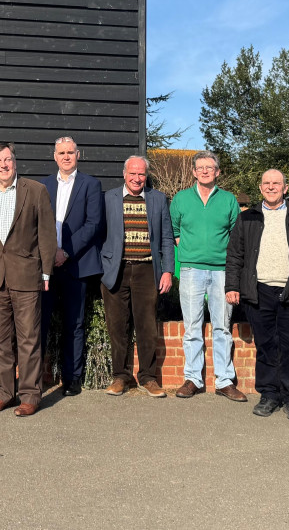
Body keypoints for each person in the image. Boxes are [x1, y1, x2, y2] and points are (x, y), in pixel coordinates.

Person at [225, 169, 289, 421]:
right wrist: (232, 286)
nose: (271, 187)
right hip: (259, 292)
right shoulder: (247, 217)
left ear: (285, 188)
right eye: (266, 183)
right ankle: (269, 394)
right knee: (266, 346)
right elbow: (235, 253)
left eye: (276, 183)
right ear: (260, 188)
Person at [0, 143, 57, 417]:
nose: (3, 165)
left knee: (29, 338)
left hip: (27, 276)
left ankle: (30, 395)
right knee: (1, 340)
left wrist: (46, 272)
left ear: (14, 162)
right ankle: (5, 393)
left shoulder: (35, 190)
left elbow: (46, 235)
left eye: (7, 159)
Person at [170, 151, 246, 401]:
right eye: (200, 167)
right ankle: (193, 378)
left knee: (222, 327)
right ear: (193, 172)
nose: (205, 171)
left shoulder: (228, 200)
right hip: (191, 269)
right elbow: (174, 230)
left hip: (222, 270)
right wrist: (190, 253)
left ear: (217, 172)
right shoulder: (181, 199)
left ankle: (224, 380)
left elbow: (237, 235)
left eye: (209, 167)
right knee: (192, 326)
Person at [100, 155, 173, 398]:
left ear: (146, 176)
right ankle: (121, 377)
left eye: (141, 174)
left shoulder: (158, 199)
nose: (136, 178)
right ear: (124, 174)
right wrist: (104, 265)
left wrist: (168, 271)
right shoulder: (108, 198)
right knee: (117, 327)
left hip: (146, 271)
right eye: (132, 173)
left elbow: (166, 237)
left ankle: (148, 378)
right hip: (116, 271)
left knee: (147, 326)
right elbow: (99, 234)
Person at [41, 136, 103, 396]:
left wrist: (65, 251)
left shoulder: (91, 184)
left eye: (70, 152)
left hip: (76, 264)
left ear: (79, 154)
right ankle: (33, 378)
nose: (66, 157)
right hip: (44, 266)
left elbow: (93, 224)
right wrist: (50, 253)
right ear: (54, 156)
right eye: (61, 153)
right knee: (39, 322)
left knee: (73, 324)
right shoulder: (41, 186)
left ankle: (72, 378)